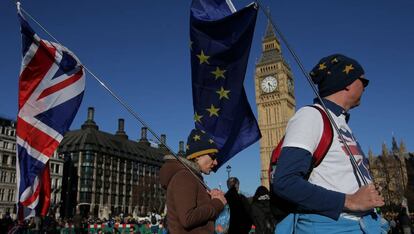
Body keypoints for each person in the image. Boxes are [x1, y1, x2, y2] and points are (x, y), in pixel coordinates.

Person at [272, 54, 385, 233]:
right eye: (363, 82)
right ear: (347, 82)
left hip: (365, 225)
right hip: (334, 227)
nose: (365, 87)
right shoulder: (311, 116)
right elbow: (285, 181)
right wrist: (350, 201)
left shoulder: (340, 122)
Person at [160, 128, 227, 233]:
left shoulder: (192, 178)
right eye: (213, 156)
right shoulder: (185, 177)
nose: (215, 162)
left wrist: (211, 198)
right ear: (198, 156)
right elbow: (188, 218)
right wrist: (217, 203)